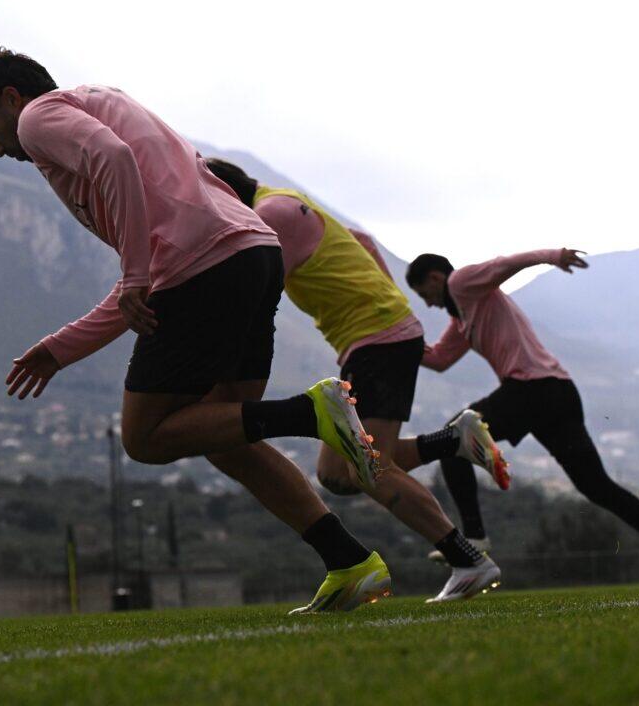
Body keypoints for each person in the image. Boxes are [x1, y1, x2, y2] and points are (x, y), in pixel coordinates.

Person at [0, 49, 389, 613]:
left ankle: (310, 415)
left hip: (204, 267)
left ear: (12, 98)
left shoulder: (40, 117)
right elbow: (152, 261)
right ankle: (350, 562)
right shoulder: (107, 104)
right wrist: (62, 349)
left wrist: (136, 274)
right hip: (251, 254)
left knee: (146, 437)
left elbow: (130, 206)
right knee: (223, 436)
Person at [205, 159, 504, 602]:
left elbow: (251, 294)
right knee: (338, 473)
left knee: (370, 469)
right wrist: (387, 295)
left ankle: (468, 559)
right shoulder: (286, 202)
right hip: (373, 336)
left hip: (376, 338)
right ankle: (451, 441)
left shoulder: (270, 218)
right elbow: (360, 239)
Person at [406, 248, 639, 587]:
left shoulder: (461, 282)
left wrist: (553, 256)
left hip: (533, 389)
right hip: (557, 393)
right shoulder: (463, 320)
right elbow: (439, 359)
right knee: (596, 485)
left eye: (425, 295)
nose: (429, 305)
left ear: (436, 278)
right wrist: (398, 344)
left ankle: (475, 537)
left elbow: (503, 265)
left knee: (452, 439)